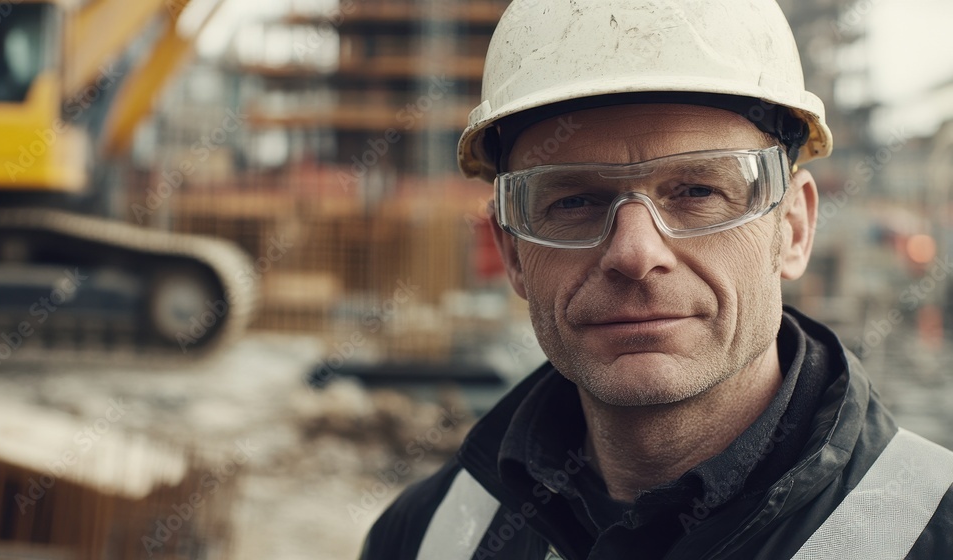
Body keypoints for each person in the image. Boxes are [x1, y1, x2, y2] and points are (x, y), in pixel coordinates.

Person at [359, 0, 953, 558]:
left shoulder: (932, 529)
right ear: (512, 252)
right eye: (574, 201)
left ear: (793, 229)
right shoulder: (428, 536)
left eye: (698, 191)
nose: (635, 253)